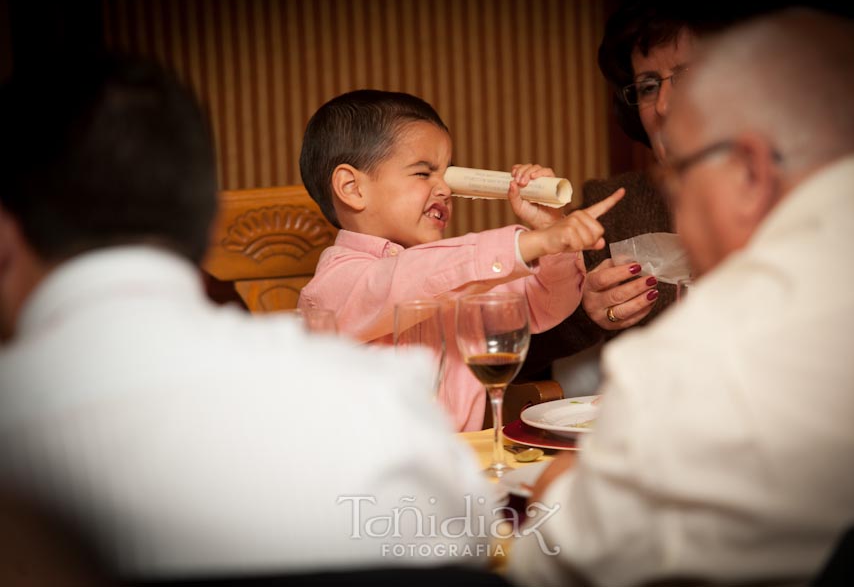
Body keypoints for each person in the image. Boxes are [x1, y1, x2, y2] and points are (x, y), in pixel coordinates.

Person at [0, 56, 498, 580]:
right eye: (425, 172)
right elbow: (470, 541)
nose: (442, 188)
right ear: (209, 222)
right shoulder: (377, 399)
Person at [508, 8, 854, 586]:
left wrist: (553, 489)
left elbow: (554, 561)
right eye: (647, 87)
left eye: (683, 177)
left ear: (749, 170)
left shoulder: (695, 361)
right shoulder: (604, 204)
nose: (664, 108)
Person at [298, 89, 623, 431]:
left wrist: (552, 238)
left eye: (448, 175)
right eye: (424, 174)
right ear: (352, 187)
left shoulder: (459, 277)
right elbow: (405, 280)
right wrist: (529, 243)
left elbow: (546, 302)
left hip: (460, 466)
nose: (445, 189)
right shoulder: (332, 287)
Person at [518, 0, 739, 383]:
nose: (664, 106)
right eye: (649, 86)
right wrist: (585, 316)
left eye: (686, 76)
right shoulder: (613, 209)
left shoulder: (808, 197)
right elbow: (511, 352)